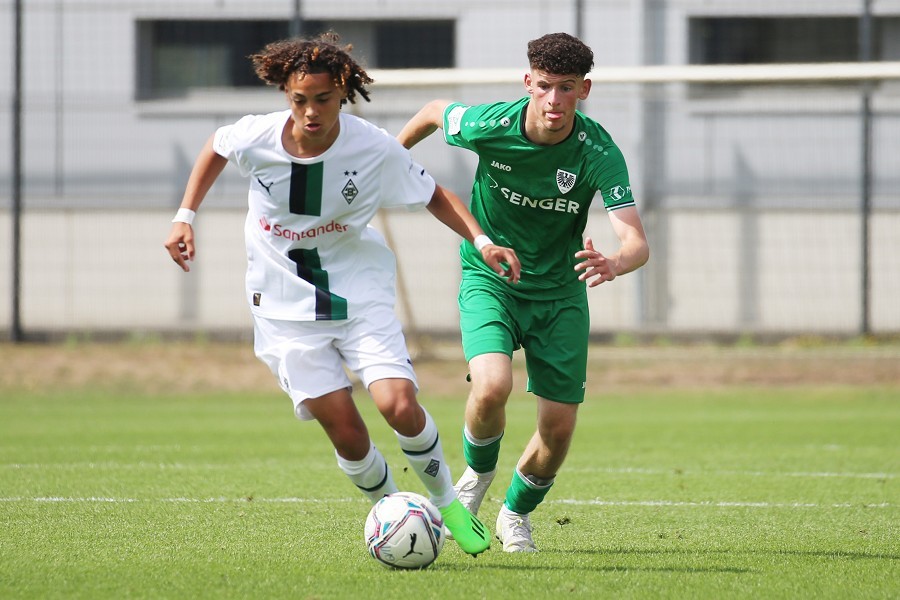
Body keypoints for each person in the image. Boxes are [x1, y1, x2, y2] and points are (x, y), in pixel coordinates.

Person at [163, 32, 521, 557]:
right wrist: (184, 216)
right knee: (347, 432)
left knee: (398, 405)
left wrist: (482, 241)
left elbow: (432, 194)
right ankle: (398, 513)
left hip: (357, 293)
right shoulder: (257, 136)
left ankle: (446, 503)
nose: (310, 111)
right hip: (282, 306)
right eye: (299, 100)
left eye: (323, 99)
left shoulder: (370, 145)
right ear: (286, 94)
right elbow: (216, 147)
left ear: (344, 91)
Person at [396, 32, 650, 552]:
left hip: (560, 296)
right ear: (527, 82)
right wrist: (387, 160)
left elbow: (637, 242)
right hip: (492, 279)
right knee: (490, 387)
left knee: (557, 429)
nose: (554, 100)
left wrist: (615, 263)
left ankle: (515, 514)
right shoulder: (490, 124)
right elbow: (431, 111)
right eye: (545, 86)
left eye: (567, 88)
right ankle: (478, 475)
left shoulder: (598, 151)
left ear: (585, 90)